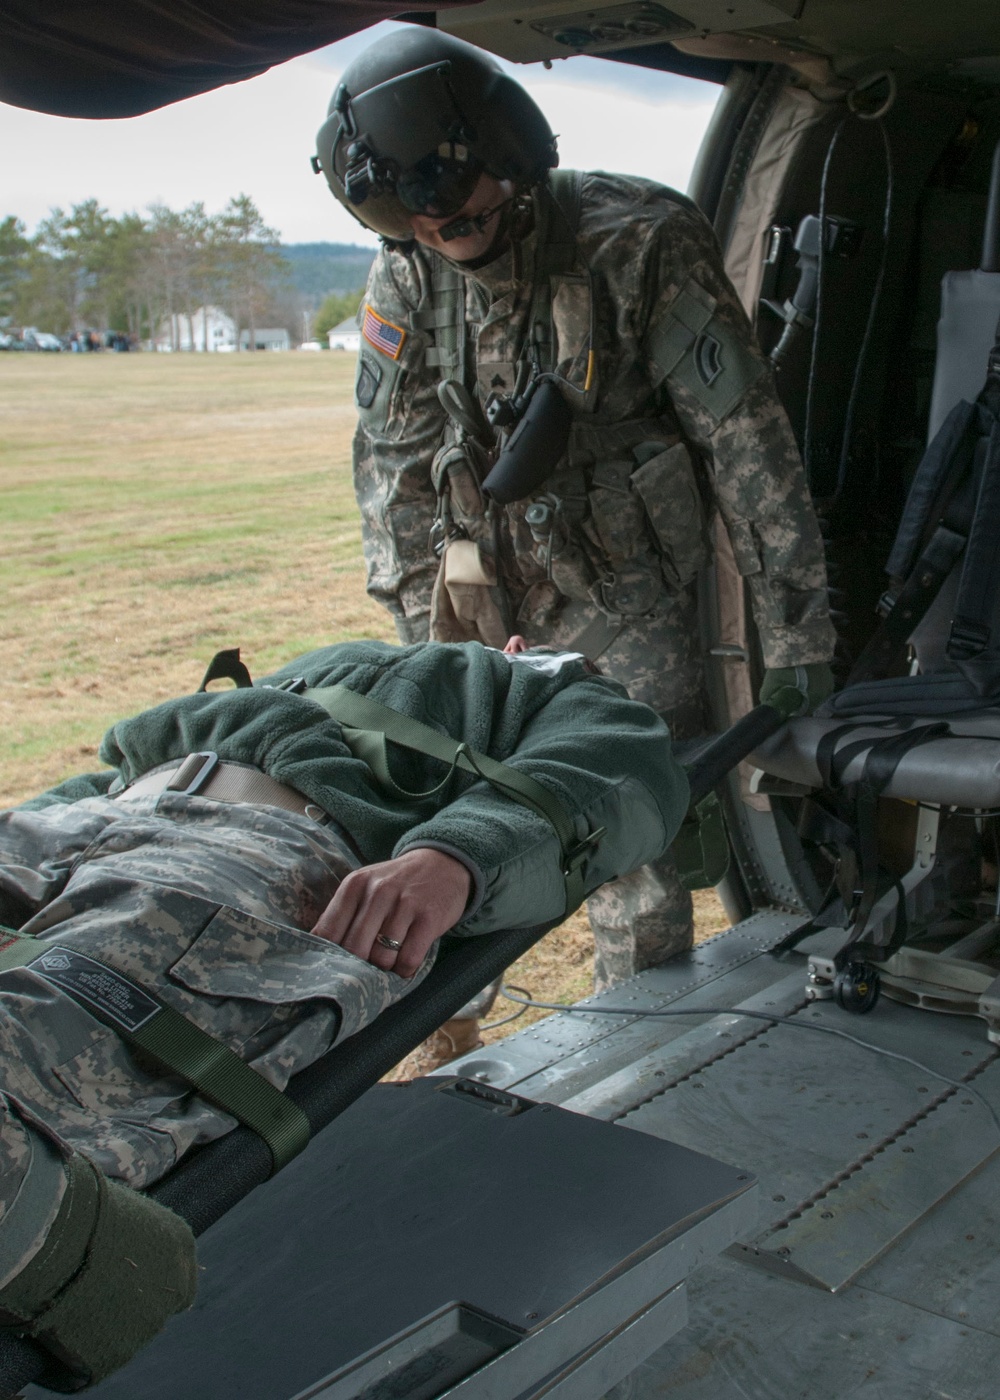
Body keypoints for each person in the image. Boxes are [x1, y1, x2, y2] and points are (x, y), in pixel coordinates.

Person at [312, 28, 836, 1052]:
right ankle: (446, 1044)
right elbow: (393, 466)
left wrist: (798, 635)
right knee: (452, 809)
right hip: (478, 592)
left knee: (623, 832)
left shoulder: (637, 240)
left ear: (506, 156)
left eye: (454, 202)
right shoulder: (408, 276)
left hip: (622, 590)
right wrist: (421, 644)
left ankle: (631, 1057)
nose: (434, 225)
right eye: (409, 213)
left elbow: (746, 449)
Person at [0, 636, 687, 1388]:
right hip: (99, 818)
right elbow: (119, 762)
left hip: (261, 848)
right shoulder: (337, 662)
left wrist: (456, 855)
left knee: (43, 1028)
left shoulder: (544, 691)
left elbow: (620, 770)